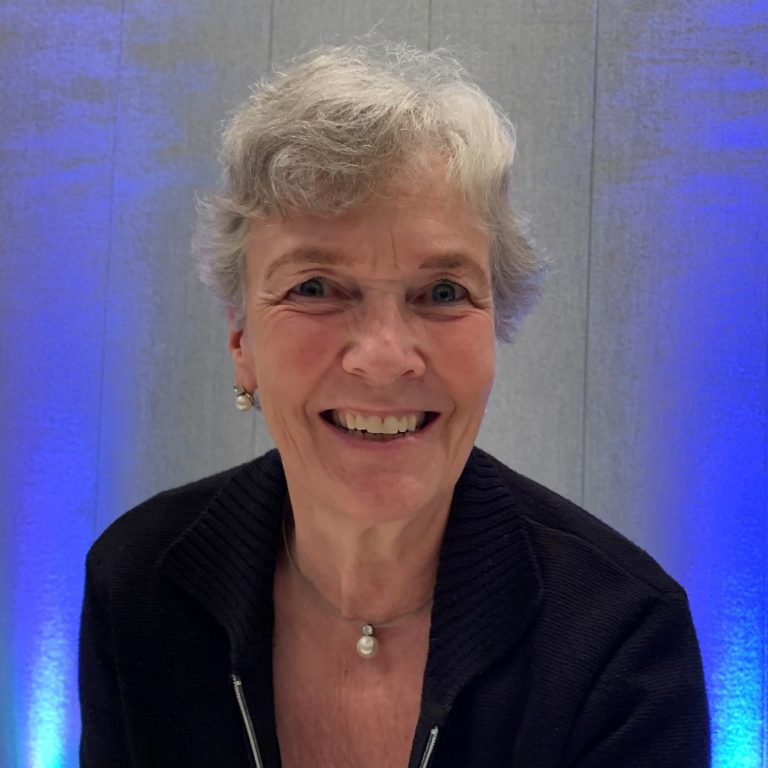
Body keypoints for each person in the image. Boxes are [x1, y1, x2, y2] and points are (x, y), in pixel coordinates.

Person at [78, 43, 709, 767]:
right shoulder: (139, 584)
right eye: (315, 288)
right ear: (240, 340)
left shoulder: (621, 641)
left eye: (442, 292)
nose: (383, 357)